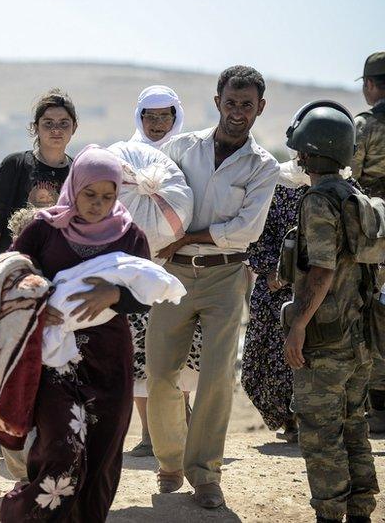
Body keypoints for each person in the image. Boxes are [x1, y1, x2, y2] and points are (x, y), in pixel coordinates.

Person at [146, 66, 279, 509]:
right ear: (216, 101)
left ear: (260, 108)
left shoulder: (264, 166)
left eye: (247, 105)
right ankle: (170, 461)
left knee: (218, 378)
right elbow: (159, 199)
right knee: (161, 373)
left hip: (226, 275)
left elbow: (246, 231)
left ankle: (205, 474)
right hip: (174, 273)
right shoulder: (182, 148)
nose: (237, 112)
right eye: (231, 102)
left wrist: (190, 235)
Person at [0, 146, 152, 522]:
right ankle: (21, 514)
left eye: (108, 196)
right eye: (89, 194)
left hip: (109, 362)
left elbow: (148, 295)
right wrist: (38, 295)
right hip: (55, 362)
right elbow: (12, 273)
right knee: (61, 451)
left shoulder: (130, 236)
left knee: (100, 458)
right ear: (74, 186)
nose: (98, 204)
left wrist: (115, 295)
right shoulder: (44, 228)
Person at [281, 100, 379, 523]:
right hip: (359, 335)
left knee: (320, 433)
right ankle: (360, 509)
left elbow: (320, 271)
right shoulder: (354, 194)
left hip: (326, 337)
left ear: (306, 150)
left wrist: (298, 325)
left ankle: (330, 514)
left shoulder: (319, 200)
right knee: (354, 424)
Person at [120, 85, 200, 458]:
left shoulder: (190, 155)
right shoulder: (123, 156)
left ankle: (179, 428)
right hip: (136, 272)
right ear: (139, 117)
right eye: (149, 116)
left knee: (179, 349)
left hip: (179, 266)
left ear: (175, 118)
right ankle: (150, 435)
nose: (156, 124)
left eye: (164, 116)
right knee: (139, 352)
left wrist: (174, 245)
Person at [241, 177, 307, 441]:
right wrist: (274, 271)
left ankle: (311, 421)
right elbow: (253, 232)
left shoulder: (342, 187)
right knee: (265, 358)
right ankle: (289, 421)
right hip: (274, 288)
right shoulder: (273, 186)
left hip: (324, 287)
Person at [0, 89, 77, 268]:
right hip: (13, 266)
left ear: (74, 127)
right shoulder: (15, 165)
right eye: (48, 123)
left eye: (64, 123)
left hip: (58, 268)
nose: (56, 130)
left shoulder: (77, 171)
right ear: (36, 127)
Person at [353, 51, 385, 433]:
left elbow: (352, 180)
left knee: (374, 315)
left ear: (370, 85)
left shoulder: (364, 127)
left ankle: (378, 408)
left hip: (374, 238)